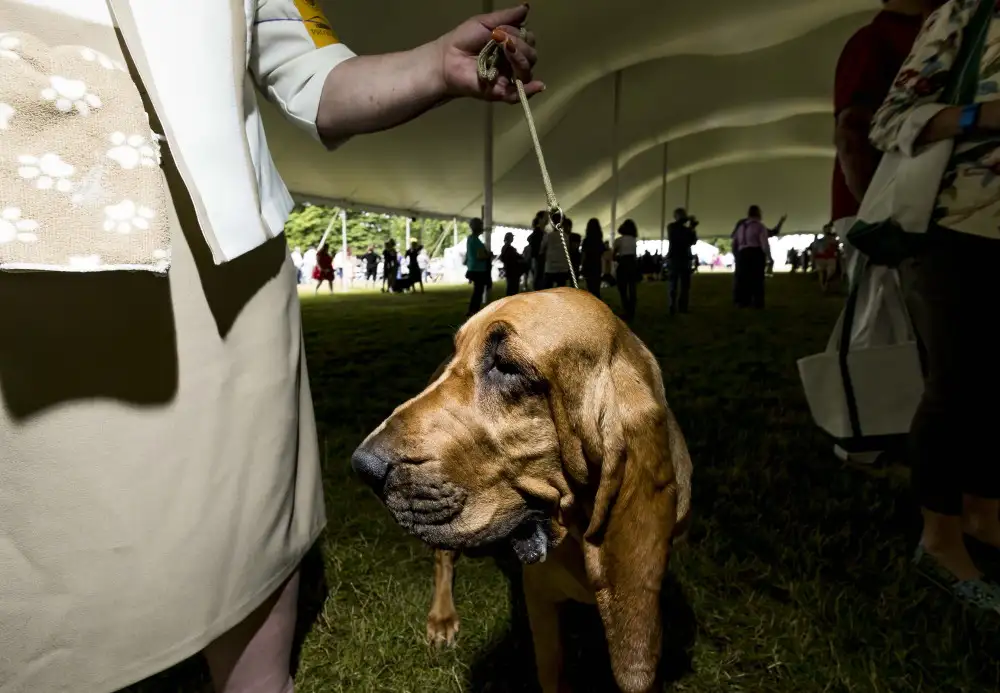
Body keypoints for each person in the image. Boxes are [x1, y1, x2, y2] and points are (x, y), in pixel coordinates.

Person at [0, 3, 541, 692]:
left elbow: (316, 77)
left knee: (248, 531)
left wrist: (436, 65)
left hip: (227, 279)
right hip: (31, 271)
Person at [869, 0, 1000, 611]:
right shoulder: (967, 10)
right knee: (958, 382)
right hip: (958, 226)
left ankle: (983, 511)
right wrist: (983, 115)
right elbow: (887, 120)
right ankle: (940, 536)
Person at [733, 206, 783, 308]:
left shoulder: (741, 226)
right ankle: (757, 302)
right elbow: (764, 243)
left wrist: (737, 255)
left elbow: (735, 241)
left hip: (742, 253)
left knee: (743, 278)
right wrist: (769, 257)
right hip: (756, 253)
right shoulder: (759, 226)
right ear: (758, 214)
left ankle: (742, 301)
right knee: (757, 278)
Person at [666, 207, 698, 315]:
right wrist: (690, 226)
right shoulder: (673, 227)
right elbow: (688, 240)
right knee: (677, 284)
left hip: (679, 259)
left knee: (681, 285)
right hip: (679, 258)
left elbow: (693, 241)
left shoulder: (678, 228)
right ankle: (675, 306)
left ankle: (678, 306)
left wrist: (692, 228)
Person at [613, 219, 639, 322]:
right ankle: (632, 311)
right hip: (632, 264)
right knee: (632, 288)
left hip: (623, 264)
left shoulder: (619, 240)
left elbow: (614, 255)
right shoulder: (633, 240)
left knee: (622, 288)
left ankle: (626, 308)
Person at [465, 217, 492, 315]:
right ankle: (474, 310)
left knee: (477, 290)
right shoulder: (476, 241)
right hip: (479, 269)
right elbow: (480, 256)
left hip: (473, 268)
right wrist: (489, 255)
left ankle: (472, 309)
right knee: (478, 291)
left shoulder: (470, 238)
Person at [539, 216, 573, 288]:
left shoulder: (548, 236)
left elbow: (541, 250)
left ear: (552, 223)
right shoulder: (566, 237)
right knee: (561, 291)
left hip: (550, 267)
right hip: (563, 268)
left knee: (548, 290)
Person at [581, 218, 605, 298]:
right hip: (597, 265)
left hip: (588, 264)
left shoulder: (586, 241)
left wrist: (582, 265)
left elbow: (583, 255)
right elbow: (602, 254)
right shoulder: (599, 241)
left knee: (590, 286)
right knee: (596, 287)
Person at [812, 225, 840, 294]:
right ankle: (823, 287)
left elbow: (836, 248)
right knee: (822, 273)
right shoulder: (820, 241)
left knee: (829, 272)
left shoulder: (832, 239)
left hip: (829, 257)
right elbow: (815, 250)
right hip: (822, 257)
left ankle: (825, 285)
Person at [527, 210, 548, 290]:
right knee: (538, 278)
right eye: (546, 217)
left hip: (539, 258)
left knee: (539, 279)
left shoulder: (541, 231)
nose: (547, 219)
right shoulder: (538, 231)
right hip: (538, 258)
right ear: (540, 219)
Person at [499, 232, 523, 296]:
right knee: (512, 288)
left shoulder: (506, 247)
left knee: (511, 288)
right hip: (511, 270)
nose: (513, 238)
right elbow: (508, 258)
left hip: (510, 270)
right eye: (512, 237)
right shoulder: (508, 248)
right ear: (509, 238)